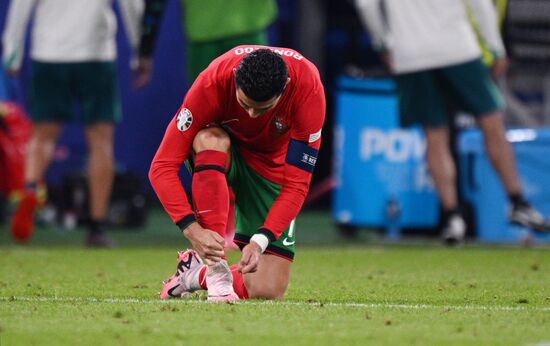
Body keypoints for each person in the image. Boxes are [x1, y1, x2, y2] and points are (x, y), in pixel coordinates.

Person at [355, 0, 550, 244]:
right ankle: (517, 202)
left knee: (434, 136)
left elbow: (366, 5)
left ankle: (452, 217)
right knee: (492, 124)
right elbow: (480, 5)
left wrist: (383, 41)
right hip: (458, 49)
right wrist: (496, 48)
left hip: (410, 55)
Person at [149, 47, 325, 301]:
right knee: (209, 138)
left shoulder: (308, 89)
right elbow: (161, 166)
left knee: (266, 290)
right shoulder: (212, 82)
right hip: (224, 152)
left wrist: (261, 241)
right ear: (235, 77)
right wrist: (192, 230)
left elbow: (297, 185)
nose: (251, 114)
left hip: (270, 167)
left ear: (285, 87)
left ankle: (192, 275)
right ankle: (216, 269)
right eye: (244, 104)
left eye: (262, 109)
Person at [2, 0, 144, 246]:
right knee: (101, 142)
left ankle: (30, 189)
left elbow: (20, 6)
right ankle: (97, 227)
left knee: (41, 137)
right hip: (95, 55)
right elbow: (132, 5)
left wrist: (12, 52)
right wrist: (141, 52)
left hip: (48, 53)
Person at [132, 0, 278, 88]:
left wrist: (145, 50)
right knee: (256, 121)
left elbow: (155, 4)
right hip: (247, 30)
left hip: (204, 37)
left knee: (207, 124)